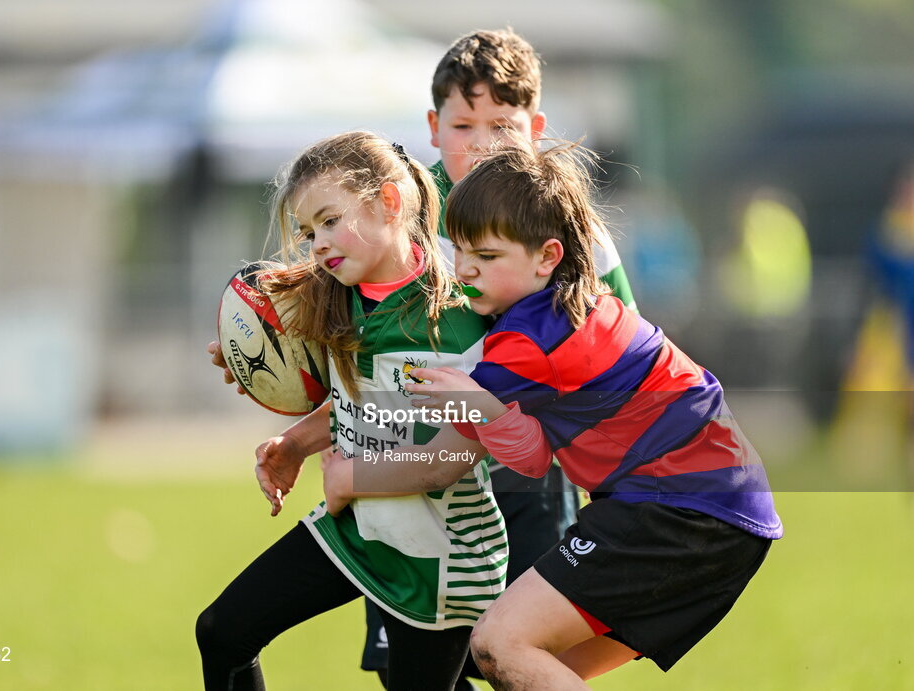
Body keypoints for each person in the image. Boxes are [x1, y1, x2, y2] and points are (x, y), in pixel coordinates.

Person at [204, 28, 641, 688]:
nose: (485, 142)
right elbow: (374, 366)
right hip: (398, 484)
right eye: (466, 125)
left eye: (504, 124)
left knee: (507, 661)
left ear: (536, 128)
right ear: (434, 128)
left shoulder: (566, 234)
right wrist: (266, 357)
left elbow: (613, 363)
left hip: (515, 479)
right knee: (400, 671)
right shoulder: (401, 212)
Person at [322, 141, 783, 687]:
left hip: (677, 507)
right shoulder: (576, 303)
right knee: (540, 670)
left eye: (487, 258)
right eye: (461, 251)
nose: (466, 270)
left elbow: (440, 462)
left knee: (501, 644)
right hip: (723, 509)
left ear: (547, 256)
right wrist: (491, 412)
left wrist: (349, 474)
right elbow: (536, 454)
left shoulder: (528, 343)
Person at [195, 131, 507, 691]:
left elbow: (454, 456)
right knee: (222, 631)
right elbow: (363, 404)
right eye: (308, 231)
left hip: (436, 557)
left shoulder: (458, 319)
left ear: (389, 202)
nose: (317, 243)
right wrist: (290, 439)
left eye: (330, 220)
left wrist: (349, 478)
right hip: (358, 531)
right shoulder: (338, 293)